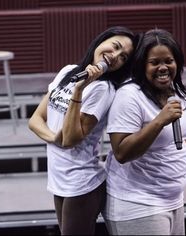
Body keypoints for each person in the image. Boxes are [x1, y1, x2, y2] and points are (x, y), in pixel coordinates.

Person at [28, 26, 136, 235]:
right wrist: (54, 138)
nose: (114, 56)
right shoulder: (68, 71)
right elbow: (35, 120)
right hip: (59, 177)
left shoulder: (102, 89)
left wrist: (79, 88)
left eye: (123, 57)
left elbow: (70, 139)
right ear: (101, 40)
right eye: (115, 47)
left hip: (82, 183)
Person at [102, 29, 186, 235]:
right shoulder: (129, 96)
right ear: (142, 65)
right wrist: (159, 121)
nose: (163, 67)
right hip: (137, 203)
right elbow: (122, 152)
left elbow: (181, 138)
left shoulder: (174, 91)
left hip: (173, 199)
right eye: (155, 62)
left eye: (169, 61)